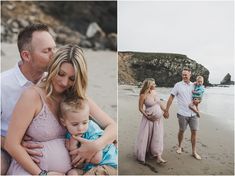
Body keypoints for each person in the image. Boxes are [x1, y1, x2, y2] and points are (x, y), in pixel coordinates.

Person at [4, 44, 117, 175]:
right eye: (61, 74)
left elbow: (113, 126)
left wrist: (96, 145)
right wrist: (42, 174)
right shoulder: (32, 96)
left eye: (72, 78)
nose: (64, 82)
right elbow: (11, 144)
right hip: (33, 172)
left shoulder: (77, 100)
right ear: (53, 68)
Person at [1, 23, 56, 174]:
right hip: (5, 147)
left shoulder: (54, 81)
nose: (54, 55)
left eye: (54, 48)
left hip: (43, 146)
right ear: (26, 55)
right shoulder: (3, 84)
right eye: (47, 51)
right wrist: (11, 144)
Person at [59, 98, 117, 175]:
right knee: (72, 173)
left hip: (107, 164)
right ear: (64, 122)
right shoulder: (70, 135)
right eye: (75, 124)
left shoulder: (92, 130)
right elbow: (77, 164)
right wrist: (73, 146)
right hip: (89, 167)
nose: (80, 128)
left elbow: (97, 159)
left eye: (84, 122)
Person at [164, 68, 202, 160]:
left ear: (190, 75)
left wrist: (198, 103)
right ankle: (180, 146)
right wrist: (166, 110)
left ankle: (194, 152)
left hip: (193, 114)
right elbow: (171, 98)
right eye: (183, 74)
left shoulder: (194, 85)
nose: (184, 76)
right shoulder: (178, 85)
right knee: (181, 131)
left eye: (186, 74)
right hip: (182, 113)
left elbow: (198, 97)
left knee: (194, 132)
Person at [135, 78, 167, 164]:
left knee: (157, 136)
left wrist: (165, 111)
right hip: (148, 119)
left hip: (158, 120)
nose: (155, 85)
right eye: (154, 84)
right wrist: (147, 117)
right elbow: (140, 108)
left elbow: (159, 103)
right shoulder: (143, 95)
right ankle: (147, 152)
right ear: (149, 85)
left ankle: (158, 156)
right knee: (148, 136)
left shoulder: (155, 92)